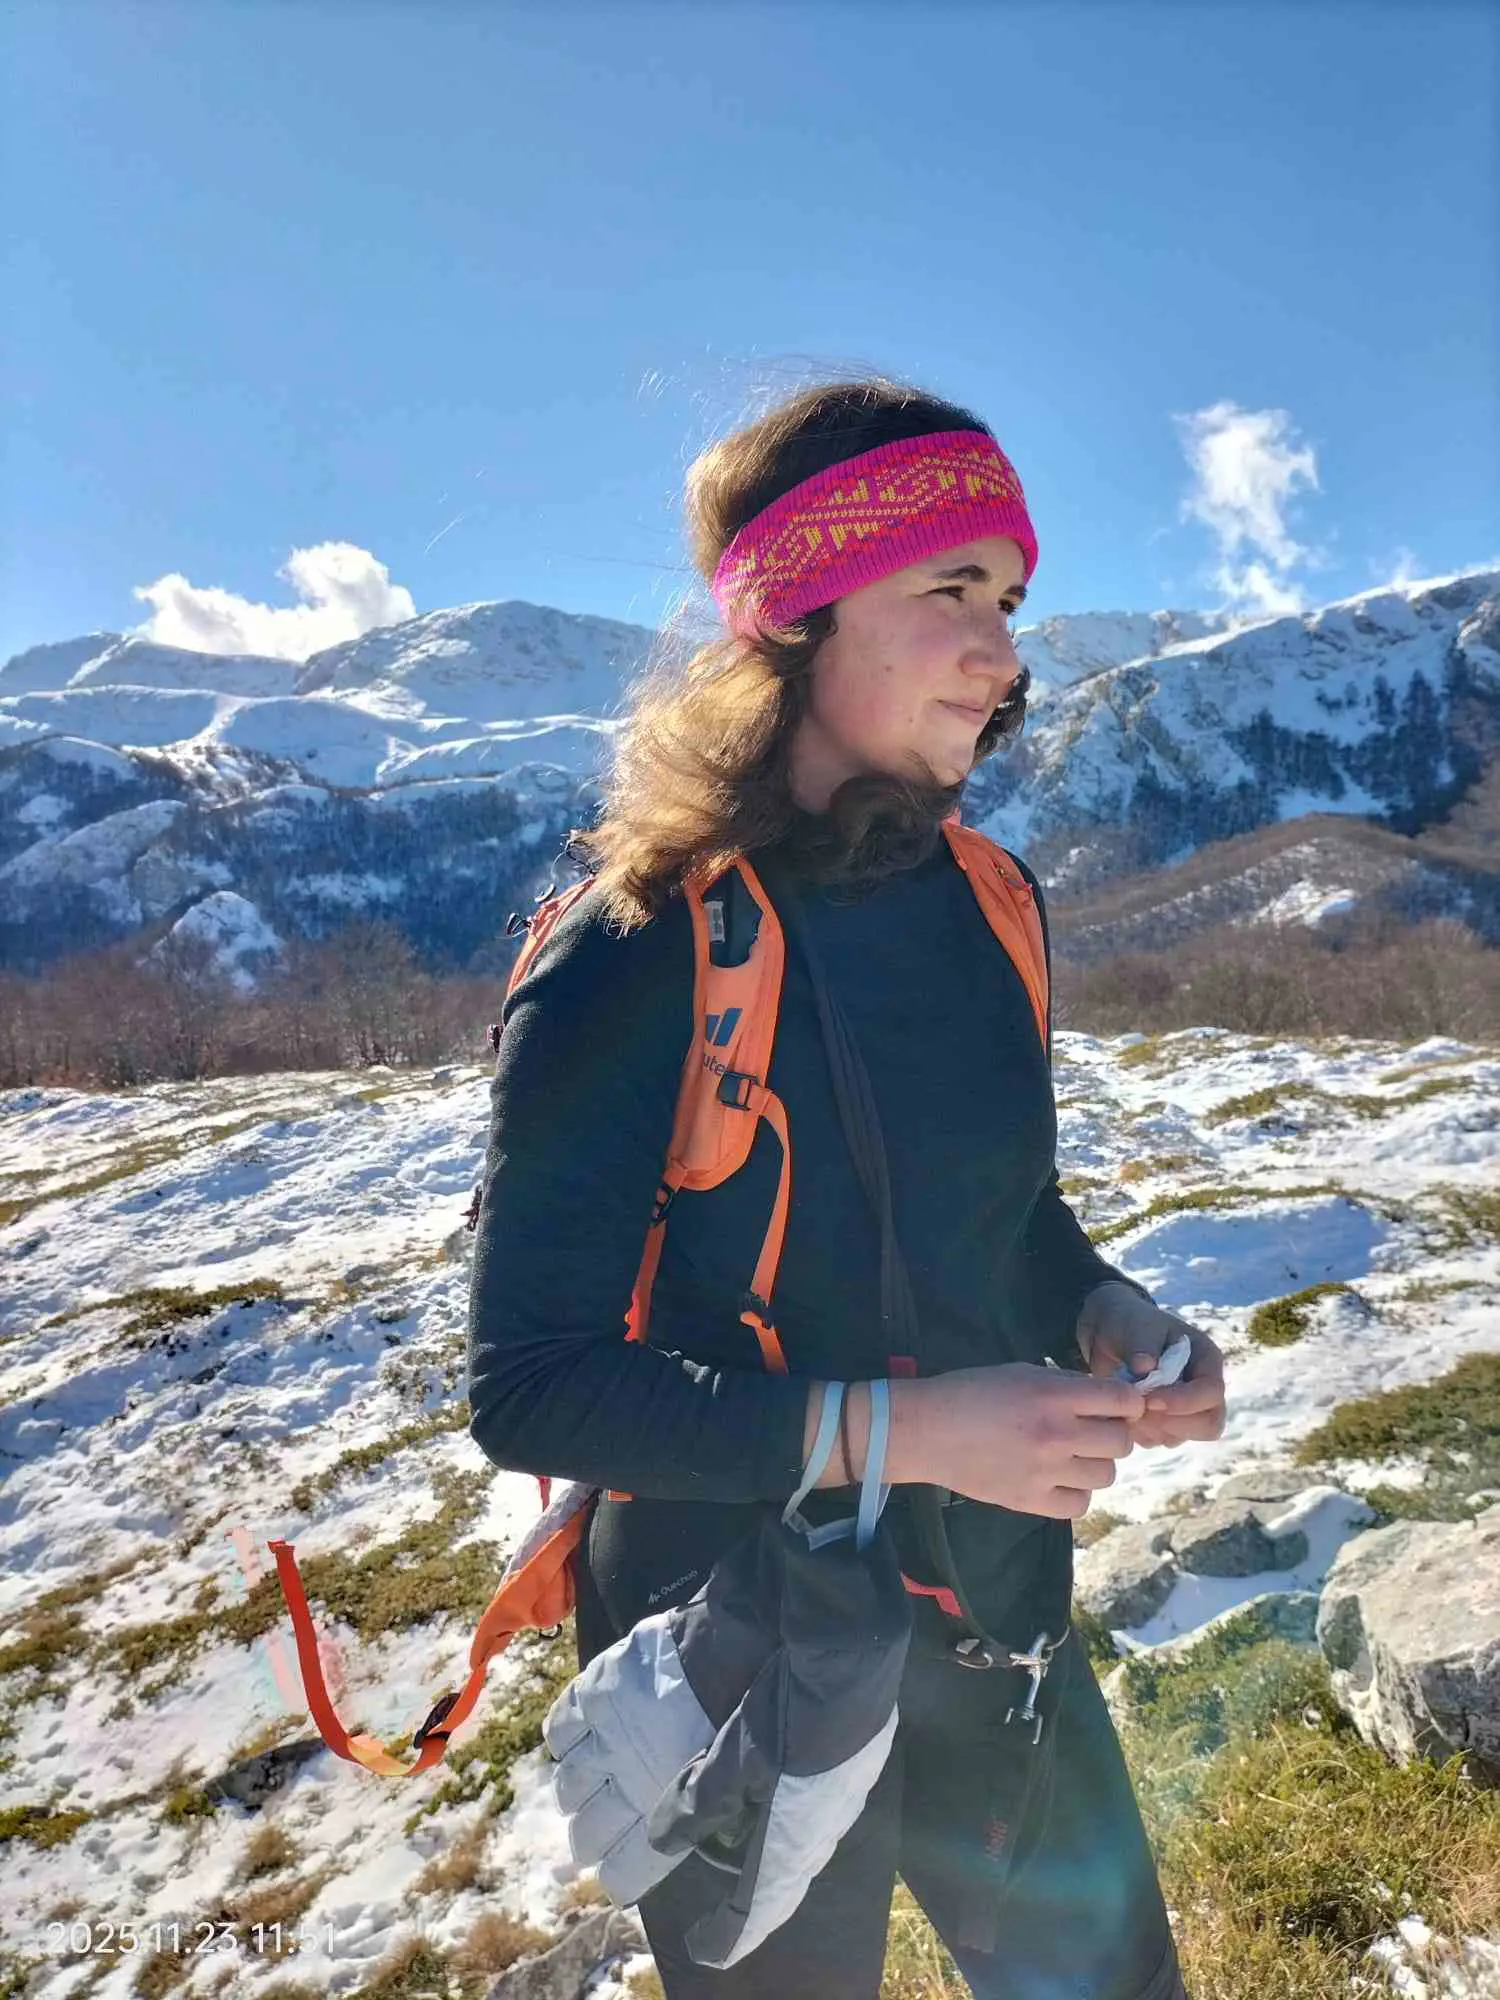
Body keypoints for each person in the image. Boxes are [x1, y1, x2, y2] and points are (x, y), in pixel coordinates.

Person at [467, 374, 1227, 1999]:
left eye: (1009, 601)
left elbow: (1007, 1216)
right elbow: (531, 1385)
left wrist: (1104, 1307)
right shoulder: (642, 943)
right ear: (798, 613)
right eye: (953, 589)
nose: (1005, 655)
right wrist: (917, 1432)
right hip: (740, 1653)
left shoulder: (990, 901)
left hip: (1002, 1627)